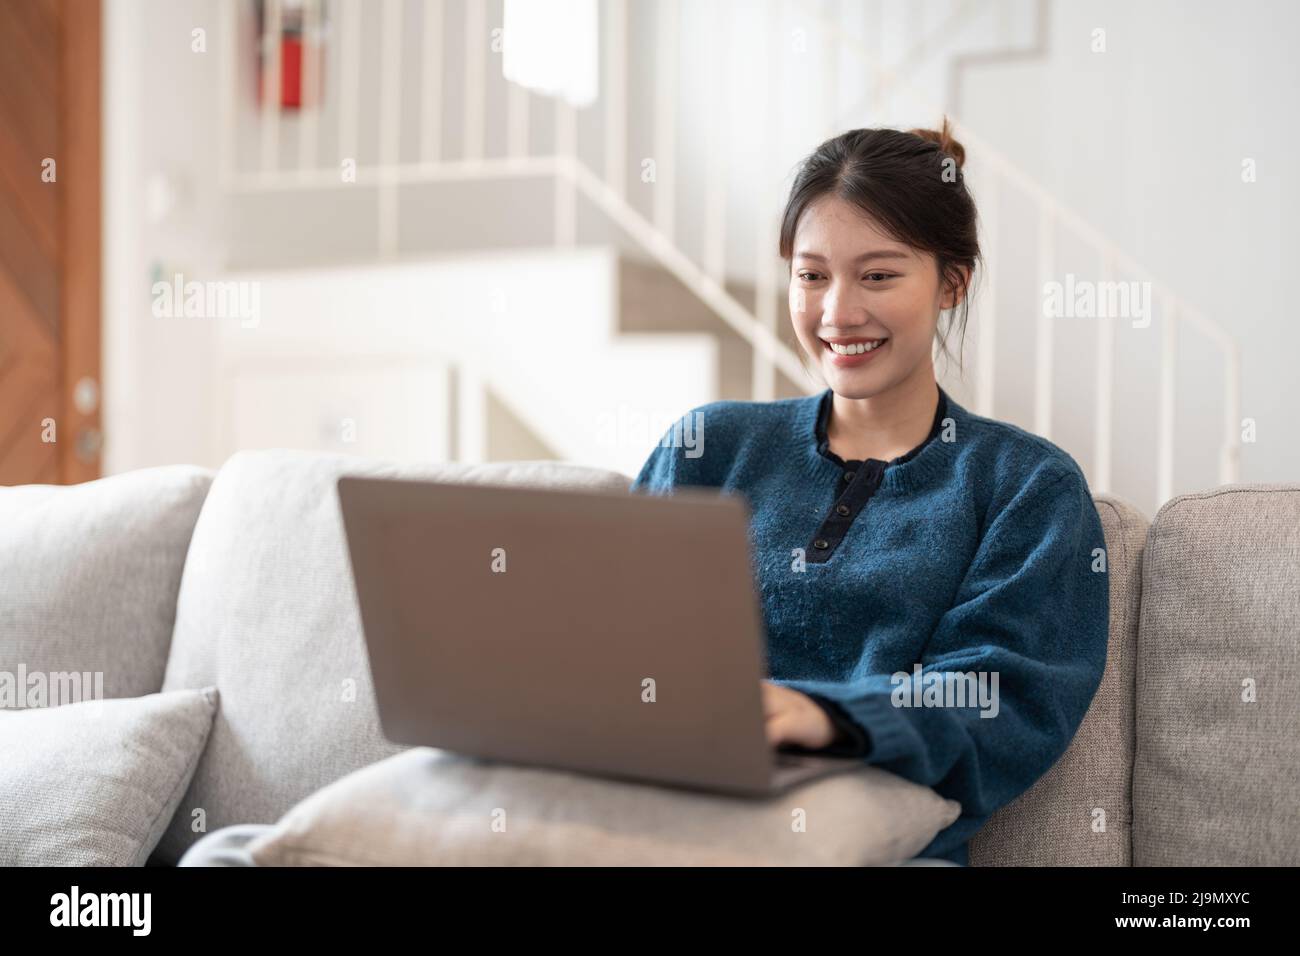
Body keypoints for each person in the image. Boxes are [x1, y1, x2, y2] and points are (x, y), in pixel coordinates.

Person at [629, 120, 1110, 866]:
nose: (837, 313)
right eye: (812, 275)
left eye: (878, 276)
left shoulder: (1026, 487)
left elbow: (1002, 700)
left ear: (952, 283)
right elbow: (616, 637)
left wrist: (823, 716)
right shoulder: (708, 449)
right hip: (658, 813)